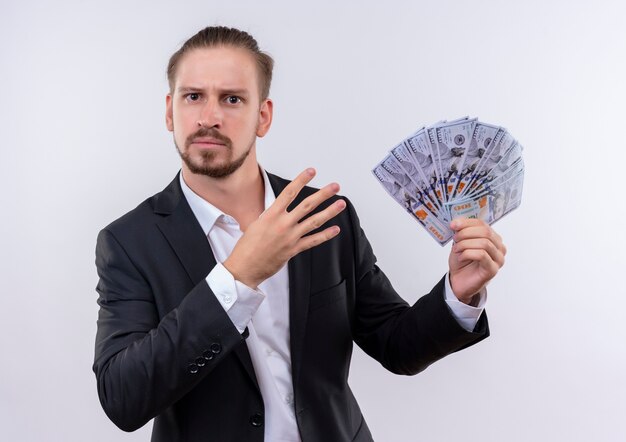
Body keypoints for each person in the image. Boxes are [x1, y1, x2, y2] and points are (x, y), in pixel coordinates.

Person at [93, 26, 507, 442]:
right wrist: (236, 278)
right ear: (170, 111)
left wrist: (458, 293)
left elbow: (397, 345)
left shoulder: (326, 218)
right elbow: (123, 398)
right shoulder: (129, 242)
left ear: (263, 116)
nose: (209, 117)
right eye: (193, 96)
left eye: (232, 99)